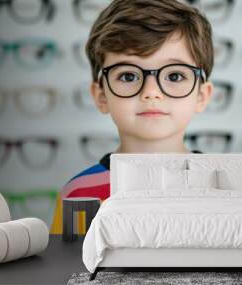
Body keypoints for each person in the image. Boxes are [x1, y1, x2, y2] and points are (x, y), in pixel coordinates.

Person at [50, 0, 214, 234]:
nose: (151, 92)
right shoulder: (78, 195)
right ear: (101, 96)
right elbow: (68, 268)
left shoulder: (223, 186)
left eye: (175, 76)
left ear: (201, 95)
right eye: (128, 76)